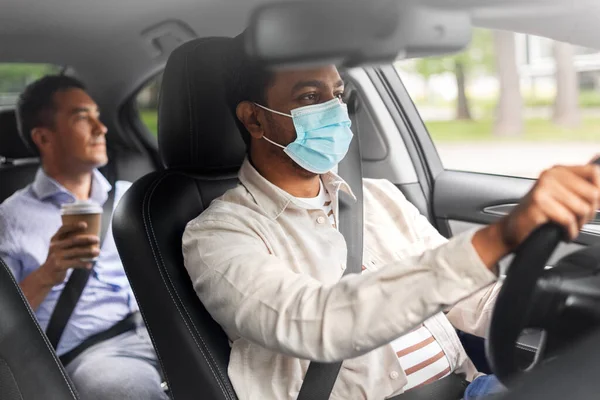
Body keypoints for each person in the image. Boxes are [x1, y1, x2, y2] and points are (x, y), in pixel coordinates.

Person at [181, 60, 600, 400]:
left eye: (338, 94)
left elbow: (470, 296)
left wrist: (566, 304)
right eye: (310, 96)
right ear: (254, 119)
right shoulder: (218, 235)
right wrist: (498, 238)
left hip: (468, 389)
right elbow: (315, 322)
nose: (334, 108)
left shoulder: (377, 198)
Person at [0, 75, 168, 400]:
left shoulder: (130, 197)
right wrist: (49, 272)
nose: (100, 127)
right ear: (44, 138)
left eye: (97, 115)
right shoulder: (9, 218)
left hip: (161, 327)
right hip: (93, 351)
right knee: (121, 389)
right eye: (81, 117)